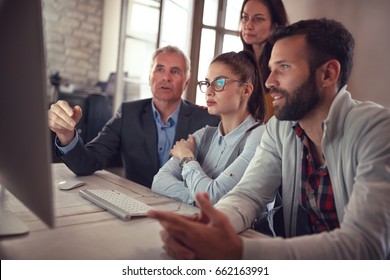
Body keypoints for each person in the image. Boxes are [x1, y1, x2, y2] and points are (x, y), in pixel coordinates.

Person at [148, 19, 390, 259]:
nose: (269, 82)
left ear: (328, 74)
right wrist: (209, 228)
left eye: (284, 68)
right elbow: (248, 196)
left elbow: (367, 245)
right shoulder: (279, 129)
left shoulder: (378, 129)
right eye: (271, 69)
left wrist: (240, 251)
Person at [48, 45, 220, 188]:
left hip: (185, 211)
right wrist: (65, 134)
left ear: (186, 83)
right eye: (160, 69)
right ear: (150, 76)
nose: (166, 77)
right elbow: (87, 163)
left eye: (175, 71)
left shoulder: (207, 120)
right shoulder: (128, 113)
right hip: (135, 208)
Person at [152, 51, 265, 205]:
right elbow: (159, 182)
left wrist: (187, 157)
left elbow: (212, 197)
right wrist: (197, 197)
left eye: (219, 83)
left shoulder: (260, 137)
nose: (209, 92)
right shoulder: (205, 134)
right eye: (207, 83)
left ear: (246, 90)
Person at [240, 0, 289, 122]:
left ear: (274, 25)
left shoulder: (284, 67)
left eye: (258, 19)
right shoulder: (239, 63)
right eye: (245, 17)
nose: (248, 25)